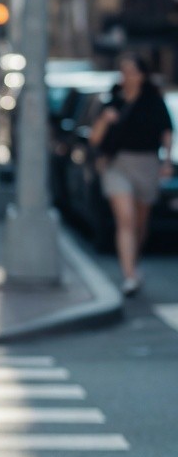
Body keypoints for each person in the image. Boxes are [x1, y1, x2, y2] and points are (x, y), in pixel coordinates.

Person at [89, 52, 173, 295]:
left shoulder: (153, 101)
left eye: (131, 71)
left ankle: (133, 264)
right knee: (125, 220)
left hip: (146, 163)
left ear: (142, 75)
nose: (126, 76)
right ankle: (129, 275)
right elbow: (95, 139)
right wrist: (105, 119)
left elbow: (166, 131)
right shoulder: (113, 100)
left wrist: (166, 161)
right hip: (118, 164)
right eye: (122, 71)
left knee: (139, 222)